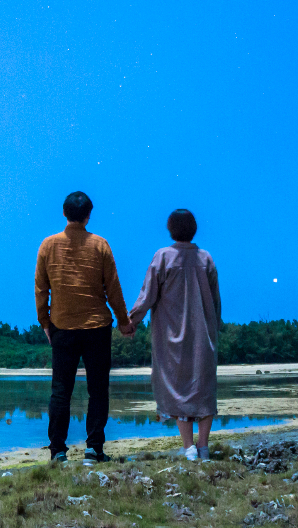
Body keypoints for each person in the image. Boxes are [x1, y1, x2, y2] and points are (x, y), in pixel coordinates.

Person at [35, 190, 134, 465]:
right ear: (88, 215)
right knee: (98, 390)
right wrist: (125, 322)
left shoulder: (47, 246)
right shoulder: (100, 245)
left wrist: (45, 322)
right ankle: (93, 449)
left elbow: (41, 289)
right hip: (96, 327)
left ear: (64, 213)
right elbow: (113, 289)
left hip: (62, 326)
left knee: (60, 391)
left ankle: (58, 451)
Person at [128, 208, 221, 462]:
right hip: (204, 334)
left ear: (170, 229)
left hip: (171, 336)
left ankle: (189, 447)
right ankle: (203, 446)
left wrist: (131, 321)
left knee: (179, 387)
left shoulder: (163, 257)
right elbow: (215, 302)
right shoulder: (206, 259)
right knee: (203, 388)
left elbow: (147, 295)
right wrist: (216, 328)